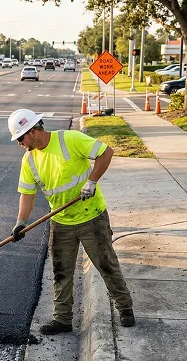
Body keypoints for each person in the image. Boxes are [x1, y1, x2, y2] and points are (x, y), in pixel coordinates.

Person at [8, 108, 134, 335]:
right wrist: (21, 222)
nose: (19, 143)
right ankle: (62, 319)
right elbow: (27, 194)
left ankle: (125, 308)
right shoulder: (30, 160)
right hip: (61, 220)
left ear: (34, 131)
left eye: (20, 137)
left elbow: (106, 152)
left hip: (91, 217)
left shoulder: (70, 139)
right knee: (61, 271)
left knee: (106, 264)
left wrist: (92, 181)